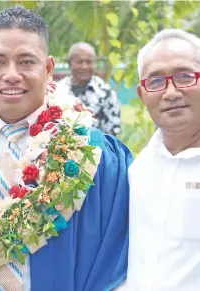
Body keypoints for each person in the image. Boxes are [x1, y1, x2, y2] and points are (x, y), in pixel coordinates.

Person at [0, 6, 132, 291]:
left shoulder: (95, 156)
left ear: (48, 69)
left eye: (26, 62)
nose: (11, 75)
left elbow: (115, 259)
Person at [123, 29, 200, 291]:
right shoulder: (137, 170)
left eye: (184, 77)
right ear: (142, 95)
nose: (170, 93)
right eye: (155, 82)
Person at [57, 42, 121, 136]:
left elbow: (112, 132)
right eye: (79, 62)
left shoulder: (106, 93)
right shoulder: (58, 91)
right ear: (69, 63)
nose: (84, 66)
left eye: (89, 62)